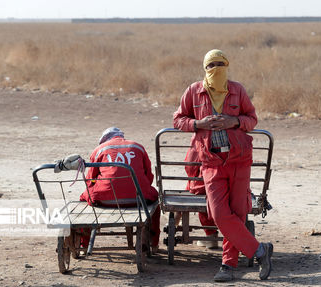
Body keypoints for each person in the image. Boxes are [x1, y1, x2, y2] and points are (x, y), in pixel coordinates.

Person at [173, 49, 273, 282]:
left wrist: (235, 121)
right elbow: (178, 120)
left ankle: (227, 266)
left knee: (237, 214)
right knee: (218, 213)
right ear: (204, 69)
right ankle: (260, 250)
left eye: (220, 64)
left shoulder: (237, 90)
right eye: (211, 65)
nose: (215, 69)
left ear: (227, 66)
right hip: (210, 161)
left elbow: (252, 119)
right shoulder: (194, 91)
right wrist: (200, 123)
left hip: (239, 159)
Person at [79, 127, 160, 252]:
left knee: (84, 197)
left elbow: (90, 179)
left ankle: (84, 243)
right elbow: (148, 176)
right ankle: (153, 242)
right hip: (139, 199)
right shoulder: (138, 147)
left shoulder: (99, 149)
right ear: (121, 136)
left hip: (104, 200)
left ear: (105, 140)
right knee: (156, 200)